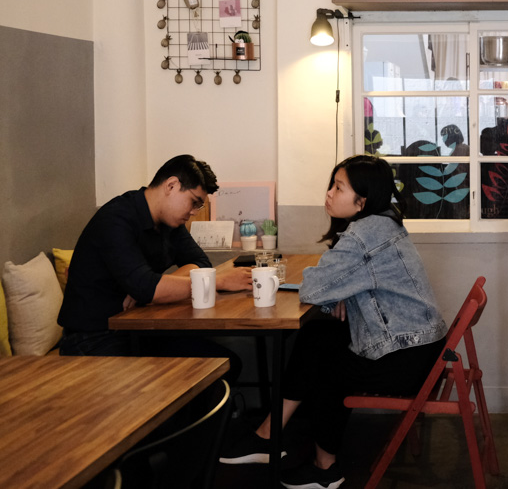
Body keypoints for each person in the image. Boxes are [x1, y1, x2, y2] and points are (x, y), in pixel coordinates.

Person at [220, 155, 448, 489]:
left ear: (362, 200)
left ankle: (323, 469)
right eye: (332, 185)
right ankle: (269, 435)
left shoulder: (363, 236)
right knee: (318, 336)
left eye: (338, 187)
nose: (329, 194)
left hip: (406, 359)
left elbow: (312, 287)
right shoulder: (384, 222)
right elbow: (337, 283)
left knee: (325, 364)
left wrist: (335, 290)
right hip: (422, 348)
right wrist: (340, 291)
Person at [57, 155, 252, 375]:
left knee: (225, 364)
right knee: (189, 377)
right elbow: (149, 287)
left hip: (137, 330)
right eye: (194, 202)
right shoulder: (116, 219)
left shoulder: (169, 222)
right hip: (93, 338)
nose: (194, 212)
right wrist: (217, 281)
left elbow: (199, 262)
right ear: (171, 185)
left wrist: (150, 290)